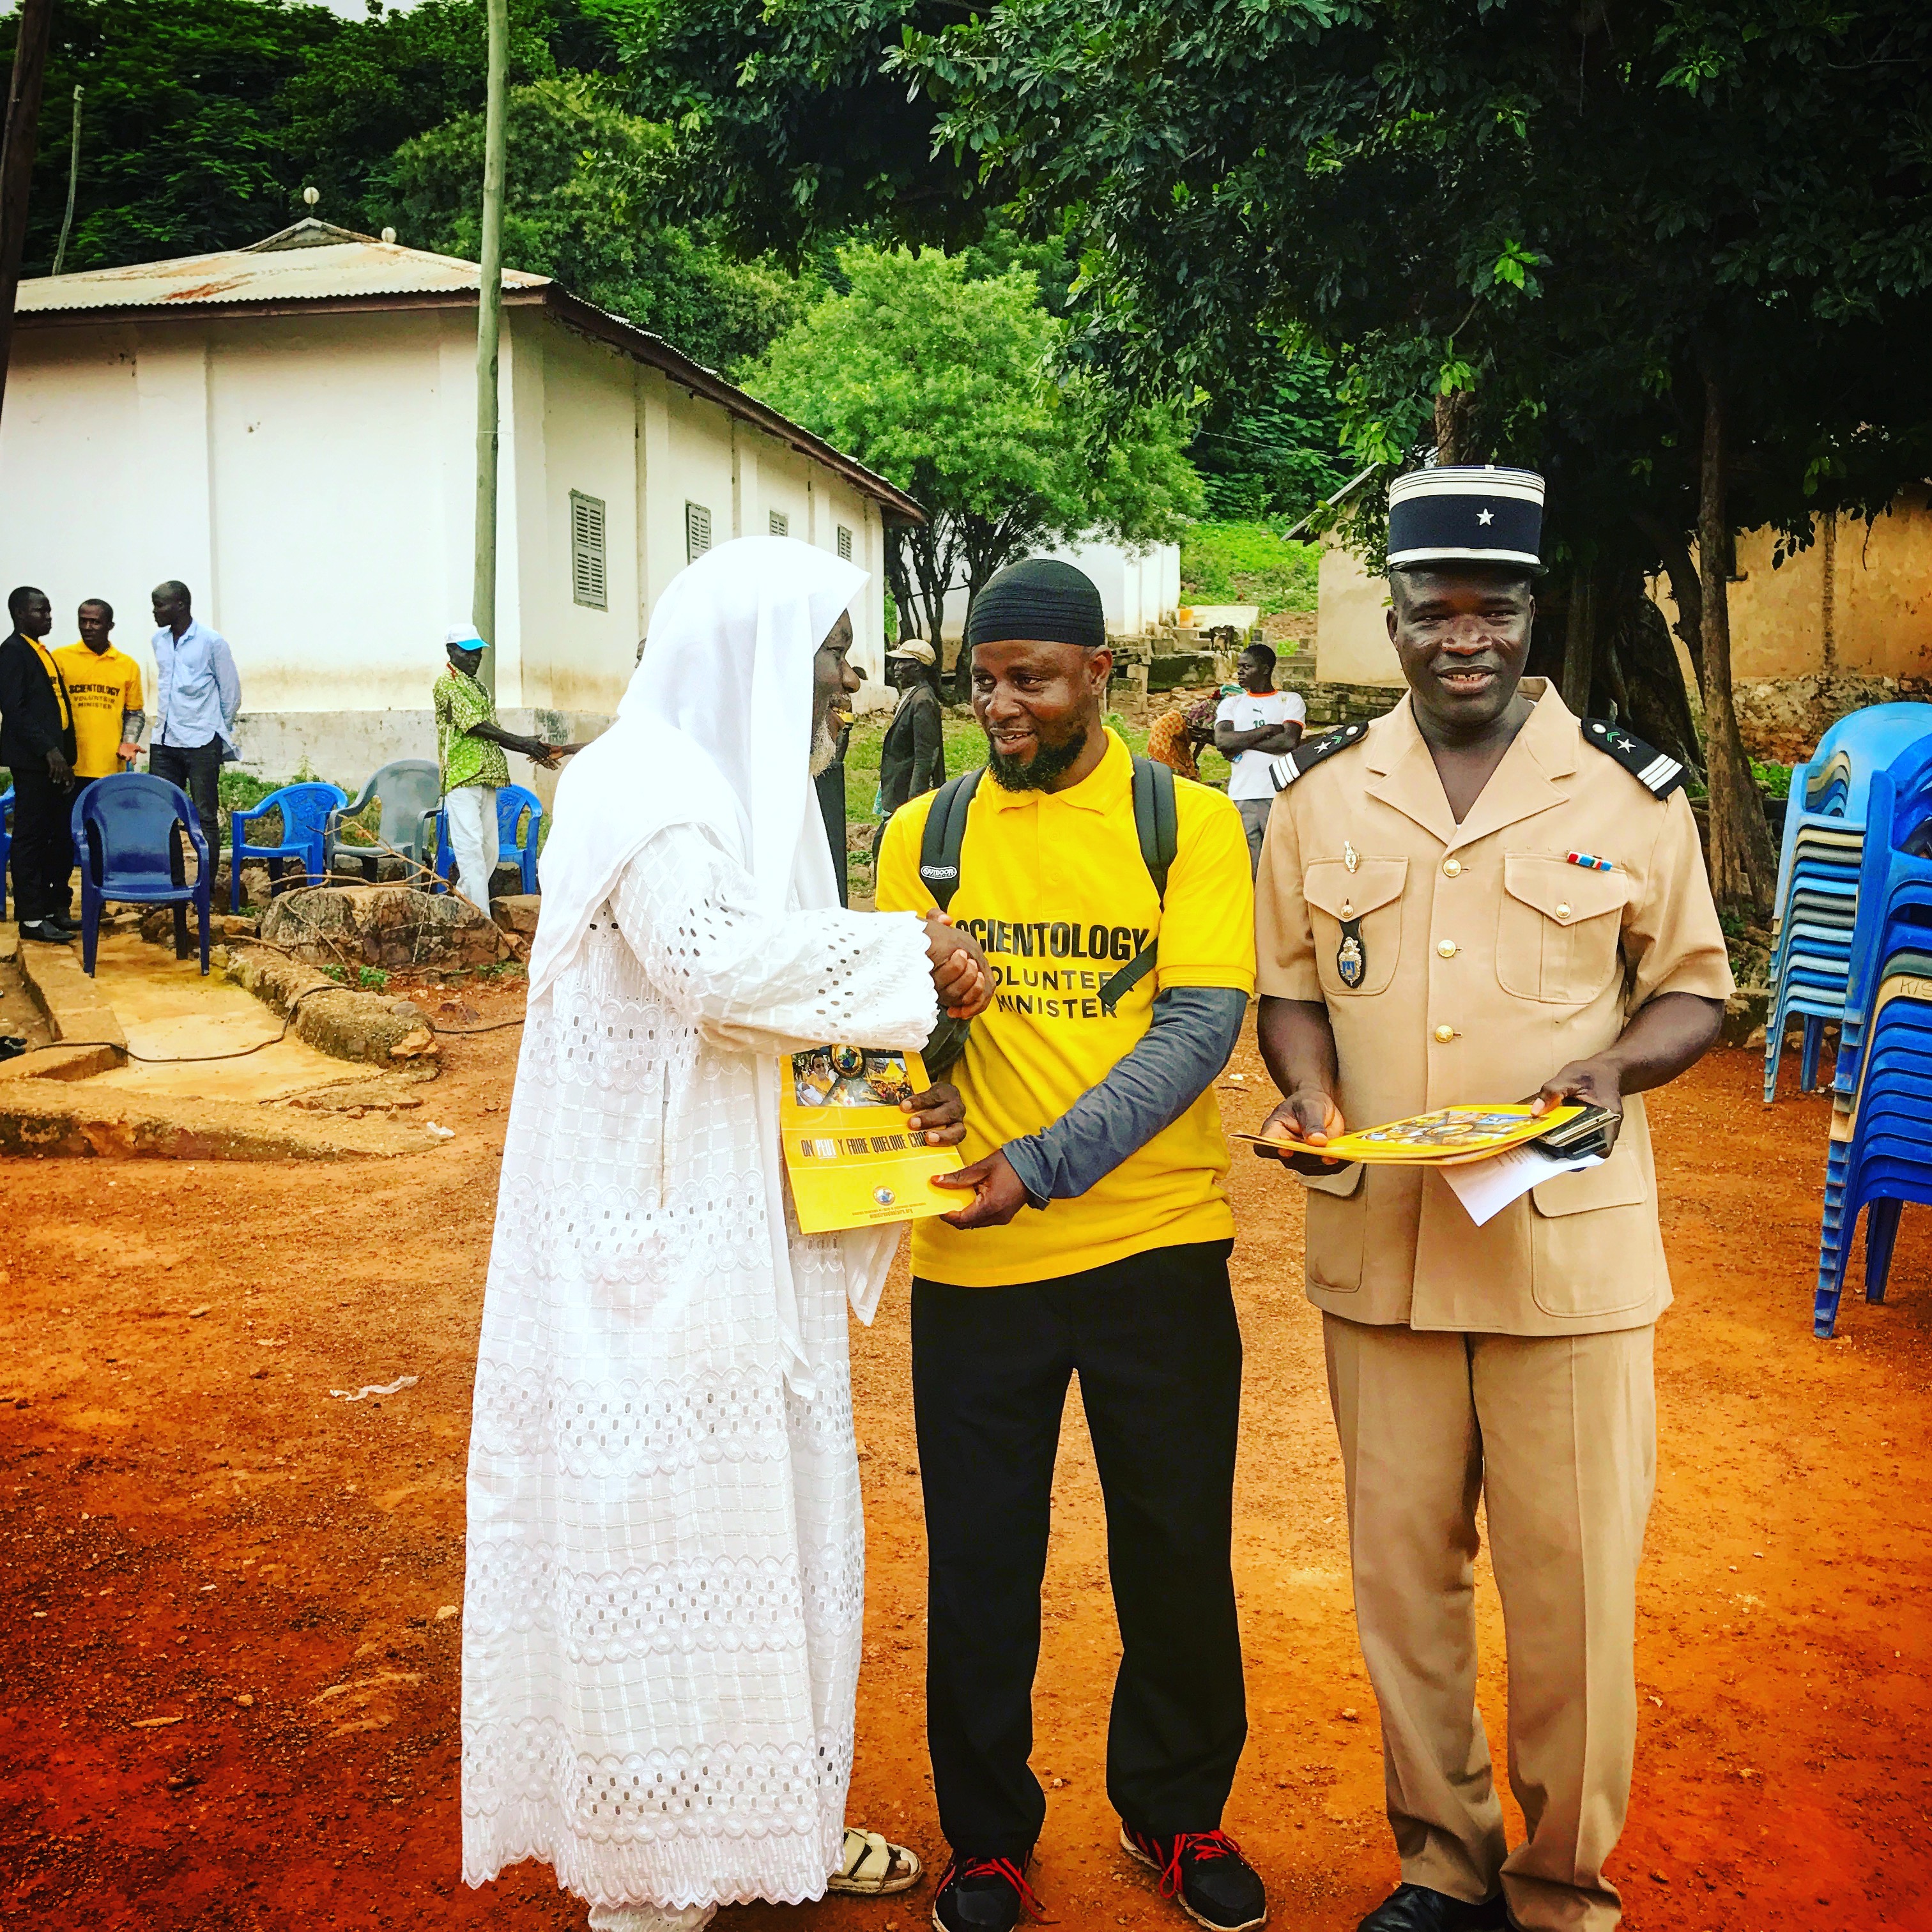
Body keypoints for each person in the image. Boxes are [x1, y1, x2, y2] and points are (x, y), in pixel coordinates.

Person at [461, 535, 993, 1932]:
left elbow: (772, 1005)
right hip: (651, 1253)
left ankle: (773, 1826)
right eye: (828, 658)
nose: (848, 689)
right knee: (667, 1540)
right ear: (751, 653)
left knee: (766, 1532)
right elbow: (713, 966)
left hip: (738, 1232)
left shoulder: (733, 792)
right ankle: (654, 1879)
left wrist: (888, 1093)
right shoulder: (646, 786)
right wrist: (908, 960)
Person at [1249, 465, 1733, 1932]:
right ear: (1392, 620)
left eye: (1495, 608)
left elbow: (1698, 989)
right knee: (1406, 1594)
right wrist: (1310, 1095)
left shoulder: (1630, 793)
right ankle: (1443, 1865)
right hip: (1384, 1255)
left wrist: (1612, 1069)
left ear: (1533, 614)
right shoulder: (1323, 795)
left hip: (1563, 1266)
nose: (1466, 636)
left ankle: (1559, 1888)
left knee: (1576, 1598)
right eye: (1434, 610)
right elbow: (1289, 993)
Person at [875, 557, 1269, 1932]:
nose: (1002, 706)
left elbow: (1199, 1032)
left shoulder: (1193, 826)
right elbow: (890, 1049)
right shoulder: (921, 833)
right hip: (972, 1262)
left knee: (1174, 1547)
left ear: (1104, 676)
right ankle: (987, 1838)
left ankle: (1176, 1814)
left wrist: (1036, 1166)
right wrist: (918, 1069)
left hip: (1156, 1250)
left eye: (1032, 680)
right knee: (983, 1559)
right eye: (985, 680)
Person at [434, 625, 572, 905]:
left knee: (488, 851)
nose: (474, 659)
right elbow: (476, 726)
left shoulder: (479, 688)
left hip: (488, 776)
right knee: (470, 848)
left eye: (478, 653)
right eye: (467, 652)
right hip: (462, 777)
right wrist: (523, 743)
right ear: (451, 651)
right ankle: (480, 918)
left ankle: (464, 906)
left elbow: (493, 730)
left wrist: (534, 748)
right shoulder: (447, 684)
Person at [0, 586, 79, 942]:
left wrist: (65, 754)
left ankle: (49, 910)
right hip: (34, 762)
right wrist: (49, 751)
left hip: (55, 762)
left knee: (52, 835)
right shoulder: (13, 652)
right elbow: (14, 710)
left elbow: (55, 706)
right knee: (30, 836)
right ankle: (31, 919)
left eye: (48, 611)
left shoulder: (41, 651)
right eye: (39, 611)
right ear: (19, 614)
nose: (48, 617)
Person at [148, 580, 239, 838]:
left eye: (159, 606)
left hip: (201, 743)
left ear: (181, 605)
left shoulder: (212, 642)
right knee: (162, 815)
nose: (155, 612)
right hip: (164, 744)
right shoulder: (159, 641)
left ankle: (205, 880)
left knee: (205, 817)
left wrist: (215, 730)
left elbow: (231, 694)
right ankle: (174, 879)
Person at [1215, 641, 1305, 874]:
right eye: (1239, 667)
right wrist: (1266, 730)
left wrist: (1242, 742)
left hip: (1279, 794)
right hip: (1243, 795)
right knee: (1250, 868)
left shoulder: (1290, 701)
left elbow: (1288, 742)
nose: (1240, 672)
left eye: (1247, 667)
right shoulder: (1231, 704)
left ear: (1265, 669)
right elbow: (1223, 741)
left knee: (1282, 867)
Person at [54, 599, 146, 781]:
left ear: (110, 626)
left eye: (95, 622)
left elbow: (134, 713)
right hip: (69, 765)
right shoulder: (59, 659)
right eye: (83, 621)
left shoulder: (127, 665)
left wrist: (128, 741)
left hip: (110, 766)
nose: (88, 627)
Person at [875, 634, 947, 859]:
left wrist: (913, 802)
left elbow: (925, 757)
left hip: (907, 791)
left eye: (902, 663)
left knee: (886, 846)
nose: (895, 668)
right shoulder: (913, 696)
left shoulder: (923, 701)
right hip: (898, 786)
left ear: (918, 668)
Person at [1146, 694, 1220, 783]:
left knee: (1183, 763)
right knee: (1168, 760)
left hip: (1170, 728)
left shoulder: (1207, 711)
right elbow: (1204, 737)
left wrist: (1194, 759)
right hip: (1166, 729)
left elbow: (1202, 739)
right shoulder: (1212, 711)